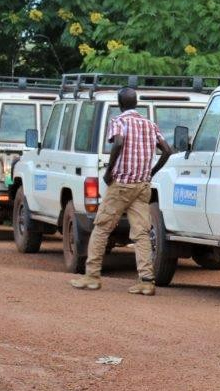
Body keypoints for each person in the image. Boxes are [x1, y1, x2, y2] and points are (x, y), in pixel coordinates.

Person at [70, 87, 173, 295]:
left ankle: (92, 276)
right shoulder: (150, 124)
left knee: (101, 227)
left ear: (119, 103)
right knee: (141, 232)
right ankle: (146, 281)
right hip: (142, 186)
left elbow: (118, 142)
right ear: (136, 103)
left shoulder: (118, 122)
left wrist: (109, 171)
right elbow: (167, 150)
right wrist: (150, 173)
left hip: (122, 185)